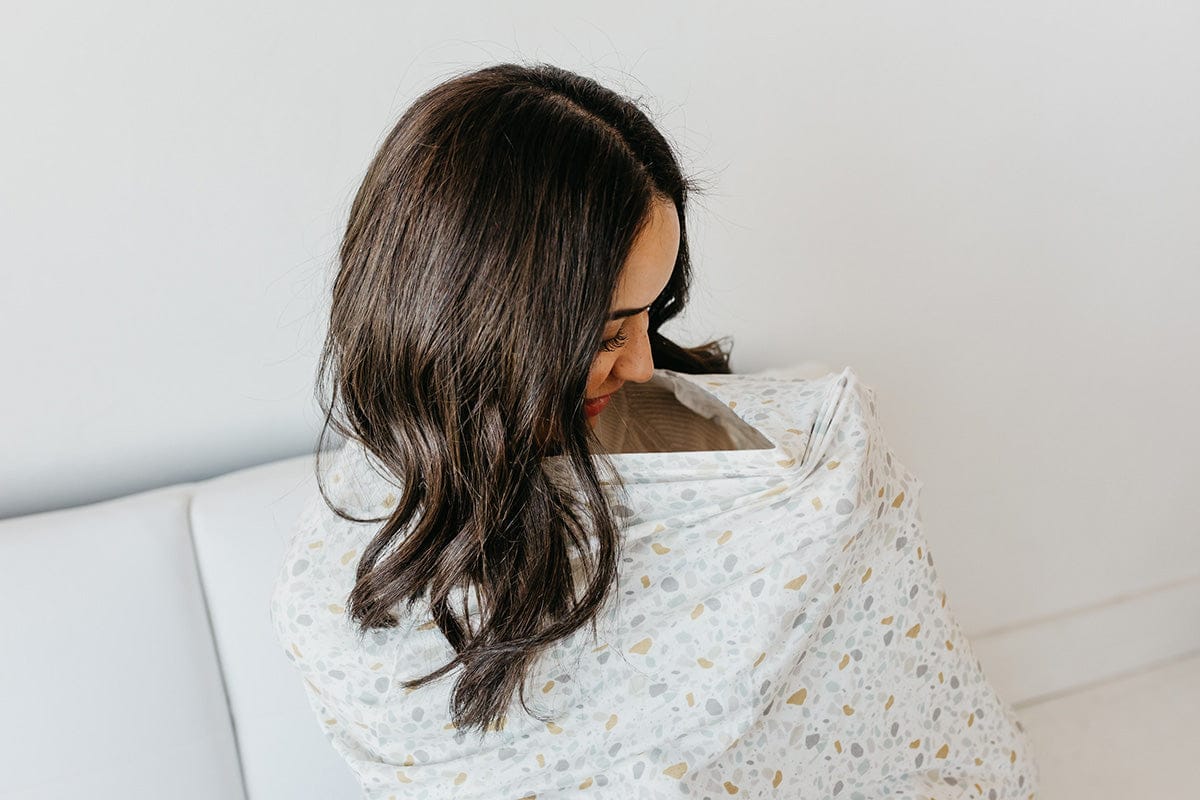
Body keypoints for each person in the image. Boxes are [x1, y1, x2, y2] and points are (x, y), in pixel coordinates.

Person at [271, 63, 1040, 799]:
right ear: (484, 328)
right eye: (609, 333)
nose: (641, 364)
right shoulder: (346, 601)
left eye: (650, 315)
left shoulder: (736, 457)